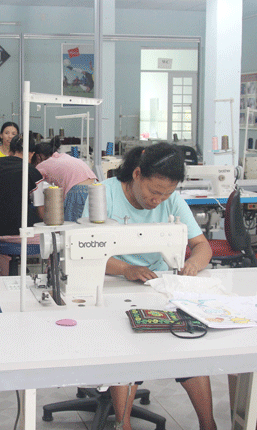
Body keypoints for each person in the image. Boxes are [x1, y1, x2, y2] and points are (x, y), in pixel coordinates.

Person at [82, 142, 216, 430]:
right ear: (137, 174)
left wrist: (194, 263)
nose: (159, 200)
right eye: (154, 191)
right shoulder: (104, 195)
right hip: (109, 285)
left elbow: (201, 245)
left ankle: (209, 425)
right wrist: (126, 269)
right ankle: (124, 424)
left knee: (189, 344)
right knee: (124, 347)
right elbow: (86, 250)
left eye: (167, 193)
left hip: (156, 285)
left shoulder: (170, 199)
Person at [0, 134, 43, 276]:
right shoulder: (33, 172)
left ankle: (6, 274)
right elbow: (41, 208)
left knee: (7, 225)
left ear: (10, 149)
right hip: (18, 235)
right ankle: (45, 275)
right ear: (32, 154)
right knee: (55, 238)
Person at [33, 135, 97, 221]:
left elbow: (35, 186)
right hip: (95, 187)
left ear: (37, 156)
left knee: (73, 228)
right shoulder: (63, 156)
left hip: (78, 190)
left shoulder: (42, 165)